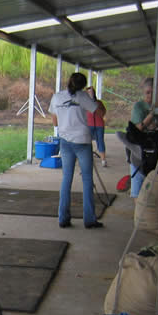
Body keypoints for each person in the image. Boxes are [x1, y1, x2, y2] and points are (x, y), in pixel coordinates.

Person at [49, 73, 107, 229]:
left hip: (65, 141)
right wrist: (93, 98)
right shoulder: (83, 97)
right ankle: (89, 219)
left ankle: (63, 218)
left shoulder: (57, 97)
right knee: (87, 180)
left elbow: (55, 122)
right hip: (82, 141)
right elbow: (101, 113)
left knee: (66, 179)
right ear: (83, 85)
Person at [128, 77, 158, 198]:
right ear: (143, 92)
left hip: (155, 153)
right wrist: (151, 115)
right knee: (137, 193)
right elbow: (138, 128)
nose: (150, 96)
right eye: (147, 92)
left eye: (153, 92)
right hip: (139, 153)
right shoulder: (139, 107)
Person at [86, 87, 107, 167]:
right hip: (89, 125)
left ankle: (103, 160)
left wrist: (94, 104)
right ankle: (88, 159)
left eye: (91, 93)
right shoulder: (84, 103)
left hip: (99, 125)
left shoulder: (99, 103)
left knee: (100, 141)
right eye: (88, 93)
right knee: (87, 142)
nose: (90, 94)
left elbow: (102, 113)